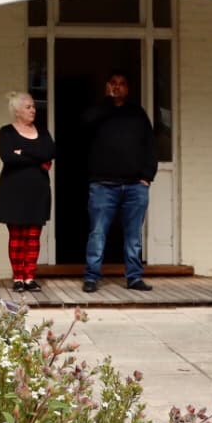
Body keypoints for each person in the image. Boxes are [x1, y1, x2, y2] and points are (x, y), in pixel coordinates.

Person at [81, 70, 158, 293]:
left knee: (133, 235)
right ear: (107, 86)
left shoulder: (137, 114)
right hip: (103, 185)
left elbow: (150, 146)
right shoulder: (97, 111)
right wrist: (107, 101)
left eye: (122, 83)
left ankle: (134, 277)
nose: (117, 87)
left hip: (135, 185)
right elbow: (85, 124)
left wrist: (147, 176)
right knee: (97, 233)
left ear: (128, 88)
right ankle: (92, 277)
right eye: (113, 83)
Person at [0, 91, 55, 292]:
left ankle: (29, 277)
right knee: (17, 237)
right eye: (28, 107)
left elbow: (50, 153)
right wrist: (36, 159)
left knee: (33, 236)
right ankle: (18, 277)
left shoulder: (42, 132)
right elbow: (8, 157)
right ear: (17, 111)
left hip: (38, 192)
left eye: (34, 107)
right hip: (13, 192)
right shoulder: (7, 132)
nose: (33, 110)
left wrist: (23, 152)